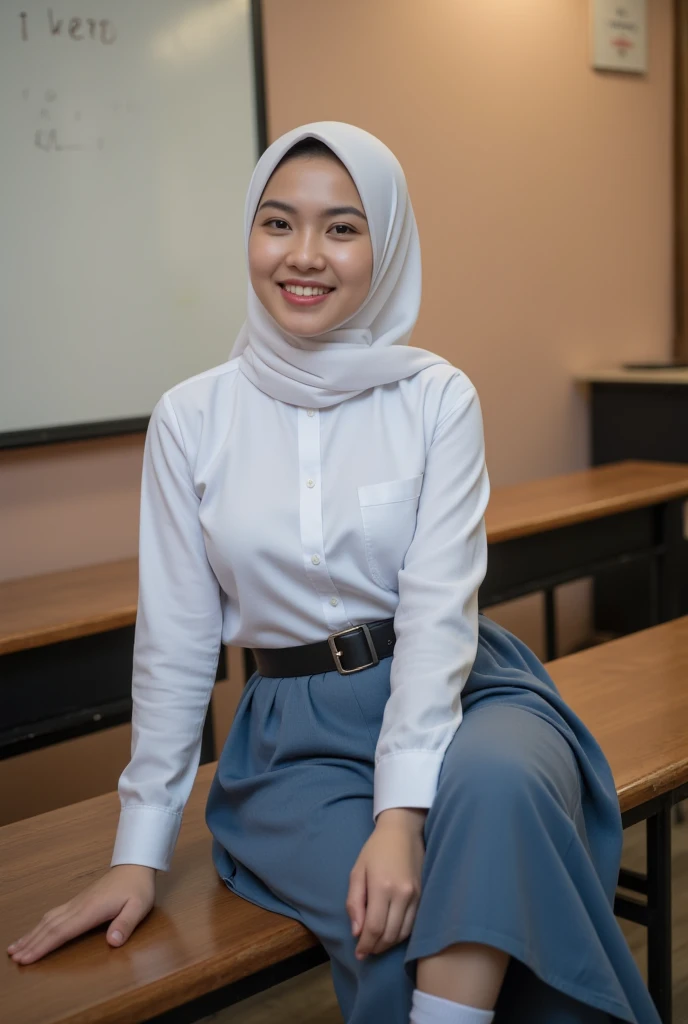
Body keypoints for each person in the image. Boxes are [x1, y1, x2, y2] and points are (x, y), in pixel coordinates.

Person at [7, 122, 660, 1024]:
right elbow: (176, 642)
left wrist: (400, 816)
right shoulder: (193, 418)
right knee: (386, 925)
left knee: (501, 791)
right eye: (278, 223)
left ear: (384, 244)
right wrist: (138, 851)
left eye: (342, 228)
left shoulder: (436, 396)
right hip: (296, 737)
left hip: (461, 688)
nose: (304, 255)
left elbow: (438, 612)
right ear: (249, 234)